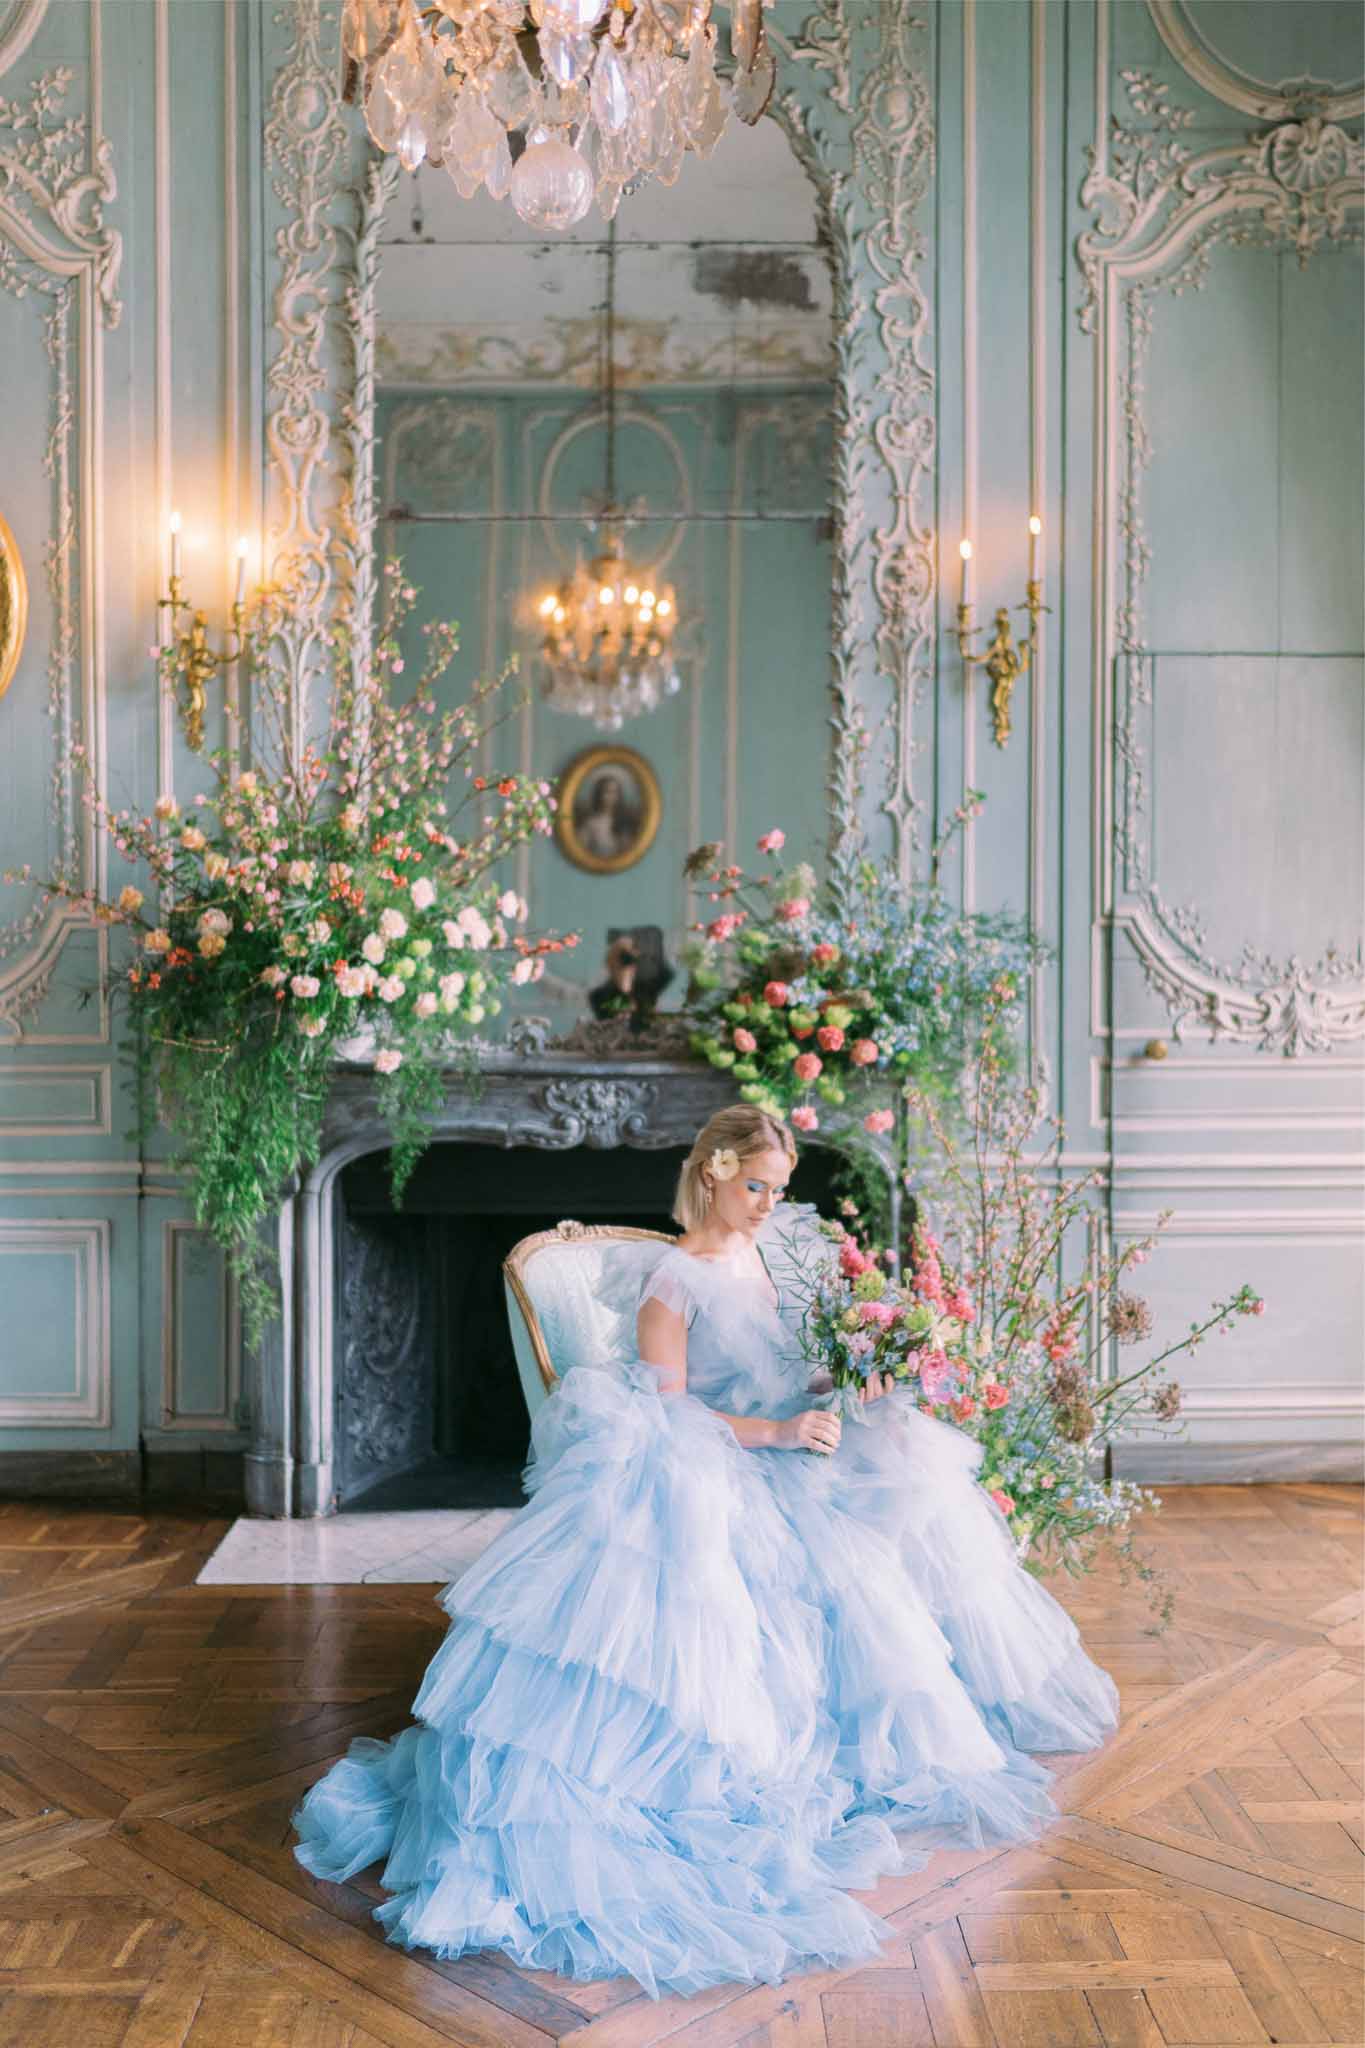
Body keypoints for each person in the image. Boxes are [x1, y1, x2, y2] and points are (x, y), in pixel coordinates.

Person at [292, 1104, 1118, 2001]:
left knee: (906, 1493)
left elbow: (777, 1363)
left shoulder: (766, 1255)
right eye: (755, 1185)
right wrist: (774, 1431)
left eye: (779, 1188)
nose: (768, 1202)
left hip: (788, 1449)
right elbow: (668, 1408)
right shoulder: (673, 1277)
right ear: (715, 1172)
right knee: (775, 1582)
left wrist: (851, 1377)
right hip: (725, 1461)